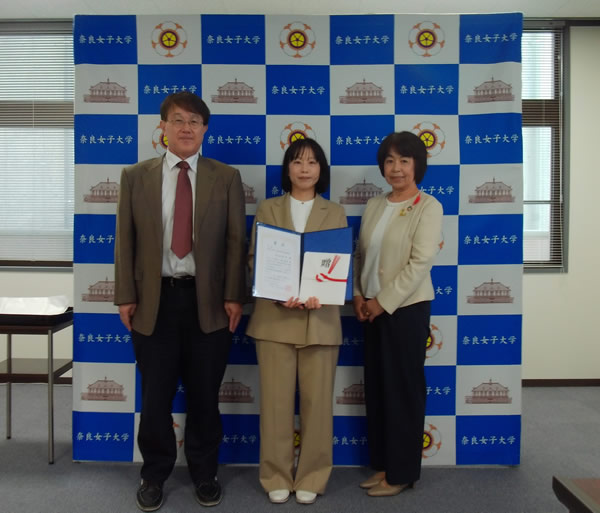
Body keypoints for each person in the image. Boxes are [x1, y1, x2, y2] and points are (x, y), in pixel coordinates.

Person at [114, 91, 246, 511]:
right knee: (155, 397)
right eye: (178, 120)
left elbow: (236, 242)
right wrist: (125, 295)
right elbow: (125, 241)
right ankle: (154, 474)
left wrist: (234, 295)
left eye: (194, 121)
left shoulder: (226, 177)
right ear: (163, 127)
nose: (186, 128)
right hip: (154, 301)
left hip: (210, 303)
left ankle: (205, 473)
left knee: (205, 394)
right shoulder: (136, 176)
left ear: (205, 129)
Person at [246, 138, 347, 505]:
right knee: (275, 405)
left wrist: (324, 292)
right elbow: (255, 258)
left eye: (312, 162)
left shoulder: (335, 212)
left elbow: (340, 263)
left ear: (322, 170)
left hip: (321, 319)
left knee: (318, 407)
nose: (305, 169)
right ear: (287, 168)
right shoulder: (268, 208)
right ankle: (275, 474)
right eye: (297, 161)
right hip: (275, 319)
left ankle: (313, 476)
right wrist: (275, 291)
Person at [353, 131, 443, 497]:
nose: (396, 168)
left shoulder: (428, 206)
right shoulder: (375, 204)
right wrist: (359, 295)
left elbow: (420, 262)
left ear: (417, 165)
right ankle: (385, 465)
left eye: (404, 161)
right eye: (389, 161)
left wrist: (382, 301)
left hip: (405, 310)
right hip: (370, 309)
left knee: (403, 392)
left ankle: (402, 473)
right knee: (378, 390)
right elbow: (360, 255)